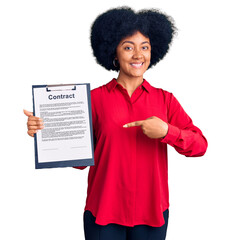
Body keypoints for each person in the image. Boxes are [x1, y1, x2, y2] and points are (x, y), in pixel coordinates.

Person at [24, 7, 208, 240]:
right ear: (114, 52)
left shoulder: (166, 100)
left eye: (145, 47)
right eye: (128, 47)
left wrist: (167, 131)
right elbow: (80, 160)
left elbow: (200, 146)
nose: (138, 55)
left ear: (154, 52)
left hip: (151, 214)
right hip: (104, 213)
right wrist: (45, 131)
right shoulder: (94, 99)